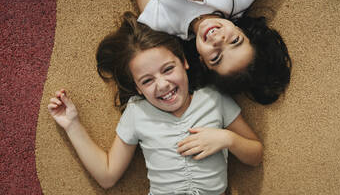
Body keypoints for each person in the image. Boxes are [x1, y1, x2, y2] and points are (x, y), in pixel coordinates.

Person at [48, 12, 263, 195]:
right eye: (147, 81)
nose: (162, 85)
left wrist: (227, 139)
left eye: (168, 69)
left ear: (184, 62)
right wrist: (72, 125)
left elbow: (255, 155)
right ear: (138, 89)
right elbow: (107, 176)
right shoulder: (137, 112)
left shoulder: (214, 99)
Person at [117, 0, 306, 104]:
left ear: (202, 62)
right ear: (243, 31)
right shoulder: (237, 0)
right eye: (235, 40)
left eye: (216, 57)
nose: (217, 40)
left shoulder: (161, 23)